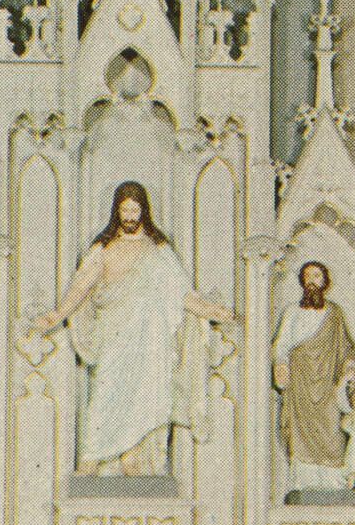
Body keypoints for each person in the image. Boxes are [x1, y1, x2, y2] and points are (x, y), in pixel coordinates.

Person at [30, 180, 231, 475]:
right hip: (114, 333)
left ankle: (131, 457)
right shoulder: (104, 248)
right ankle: (91, 456)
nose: (129, 216)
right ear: (117, 212)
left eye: (134, 210)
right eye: (124, 210)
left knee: (142, 396)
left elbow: (180, 292)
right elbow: (82, 285)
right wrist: (58, 314)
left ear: (143, 211)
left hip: (148, 337)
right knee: (106, 391)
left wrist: (210, 310)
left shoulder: (157, 249)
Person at [272, 259, 355, 493]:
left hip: (328, 382)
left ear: (325, 282)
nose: (312, 281)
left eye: (317, 276)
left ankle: (333, 485)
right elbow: (281, 345)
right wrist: (281, 364)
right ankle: (304, 483)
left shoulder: (334, 314)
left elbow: (346, 347)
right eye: (308, 276)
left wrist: (350, 366)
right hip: (300, 381)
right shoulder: (292, 312)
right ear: (302, 282)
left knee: (332, 430)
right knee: (300, 432)